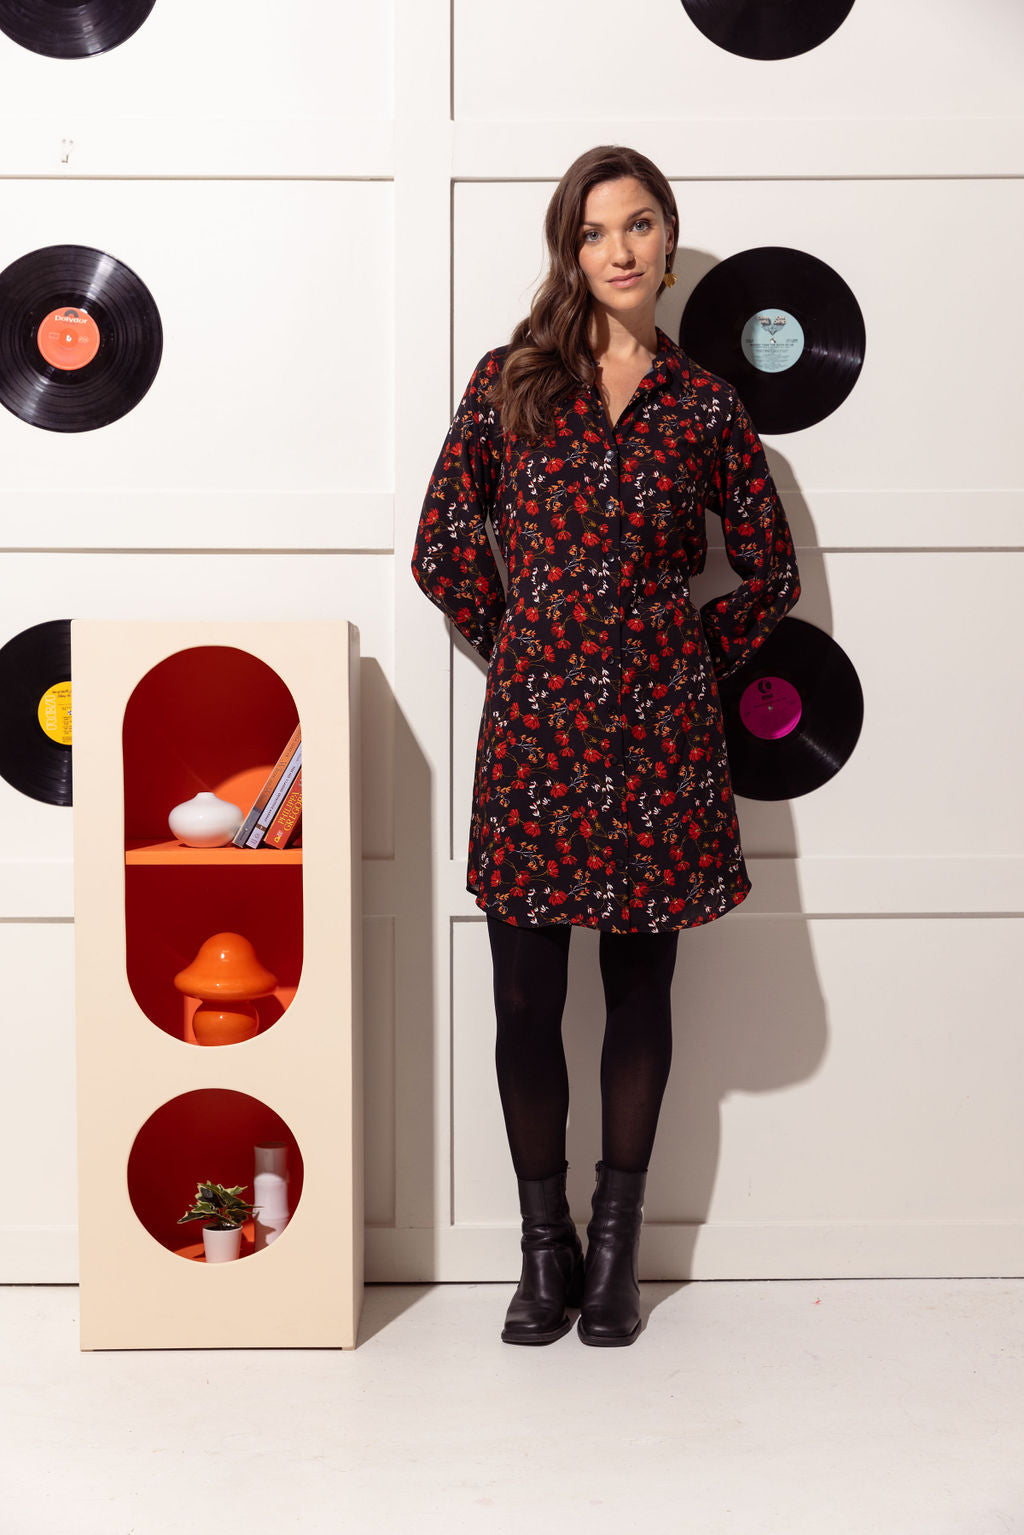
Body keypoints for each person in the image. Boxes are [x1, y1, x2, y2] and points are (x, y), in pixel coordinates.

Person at [410, 145, 800, 1347]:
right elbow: (439, 544)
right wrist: (523, 640)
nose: (620, 250)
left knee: (640, 987)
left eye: (638, 226)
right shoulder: (510, 382)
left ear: (667, 242)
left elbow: (768, 571)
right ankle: (545, 1251)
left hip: (660, 742)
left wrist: (681, 654)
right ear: (567, 251)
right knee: (525, 997)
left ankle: (616, 1248)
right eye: (594, 231)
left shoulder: (707, 408)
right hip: (536, 733)